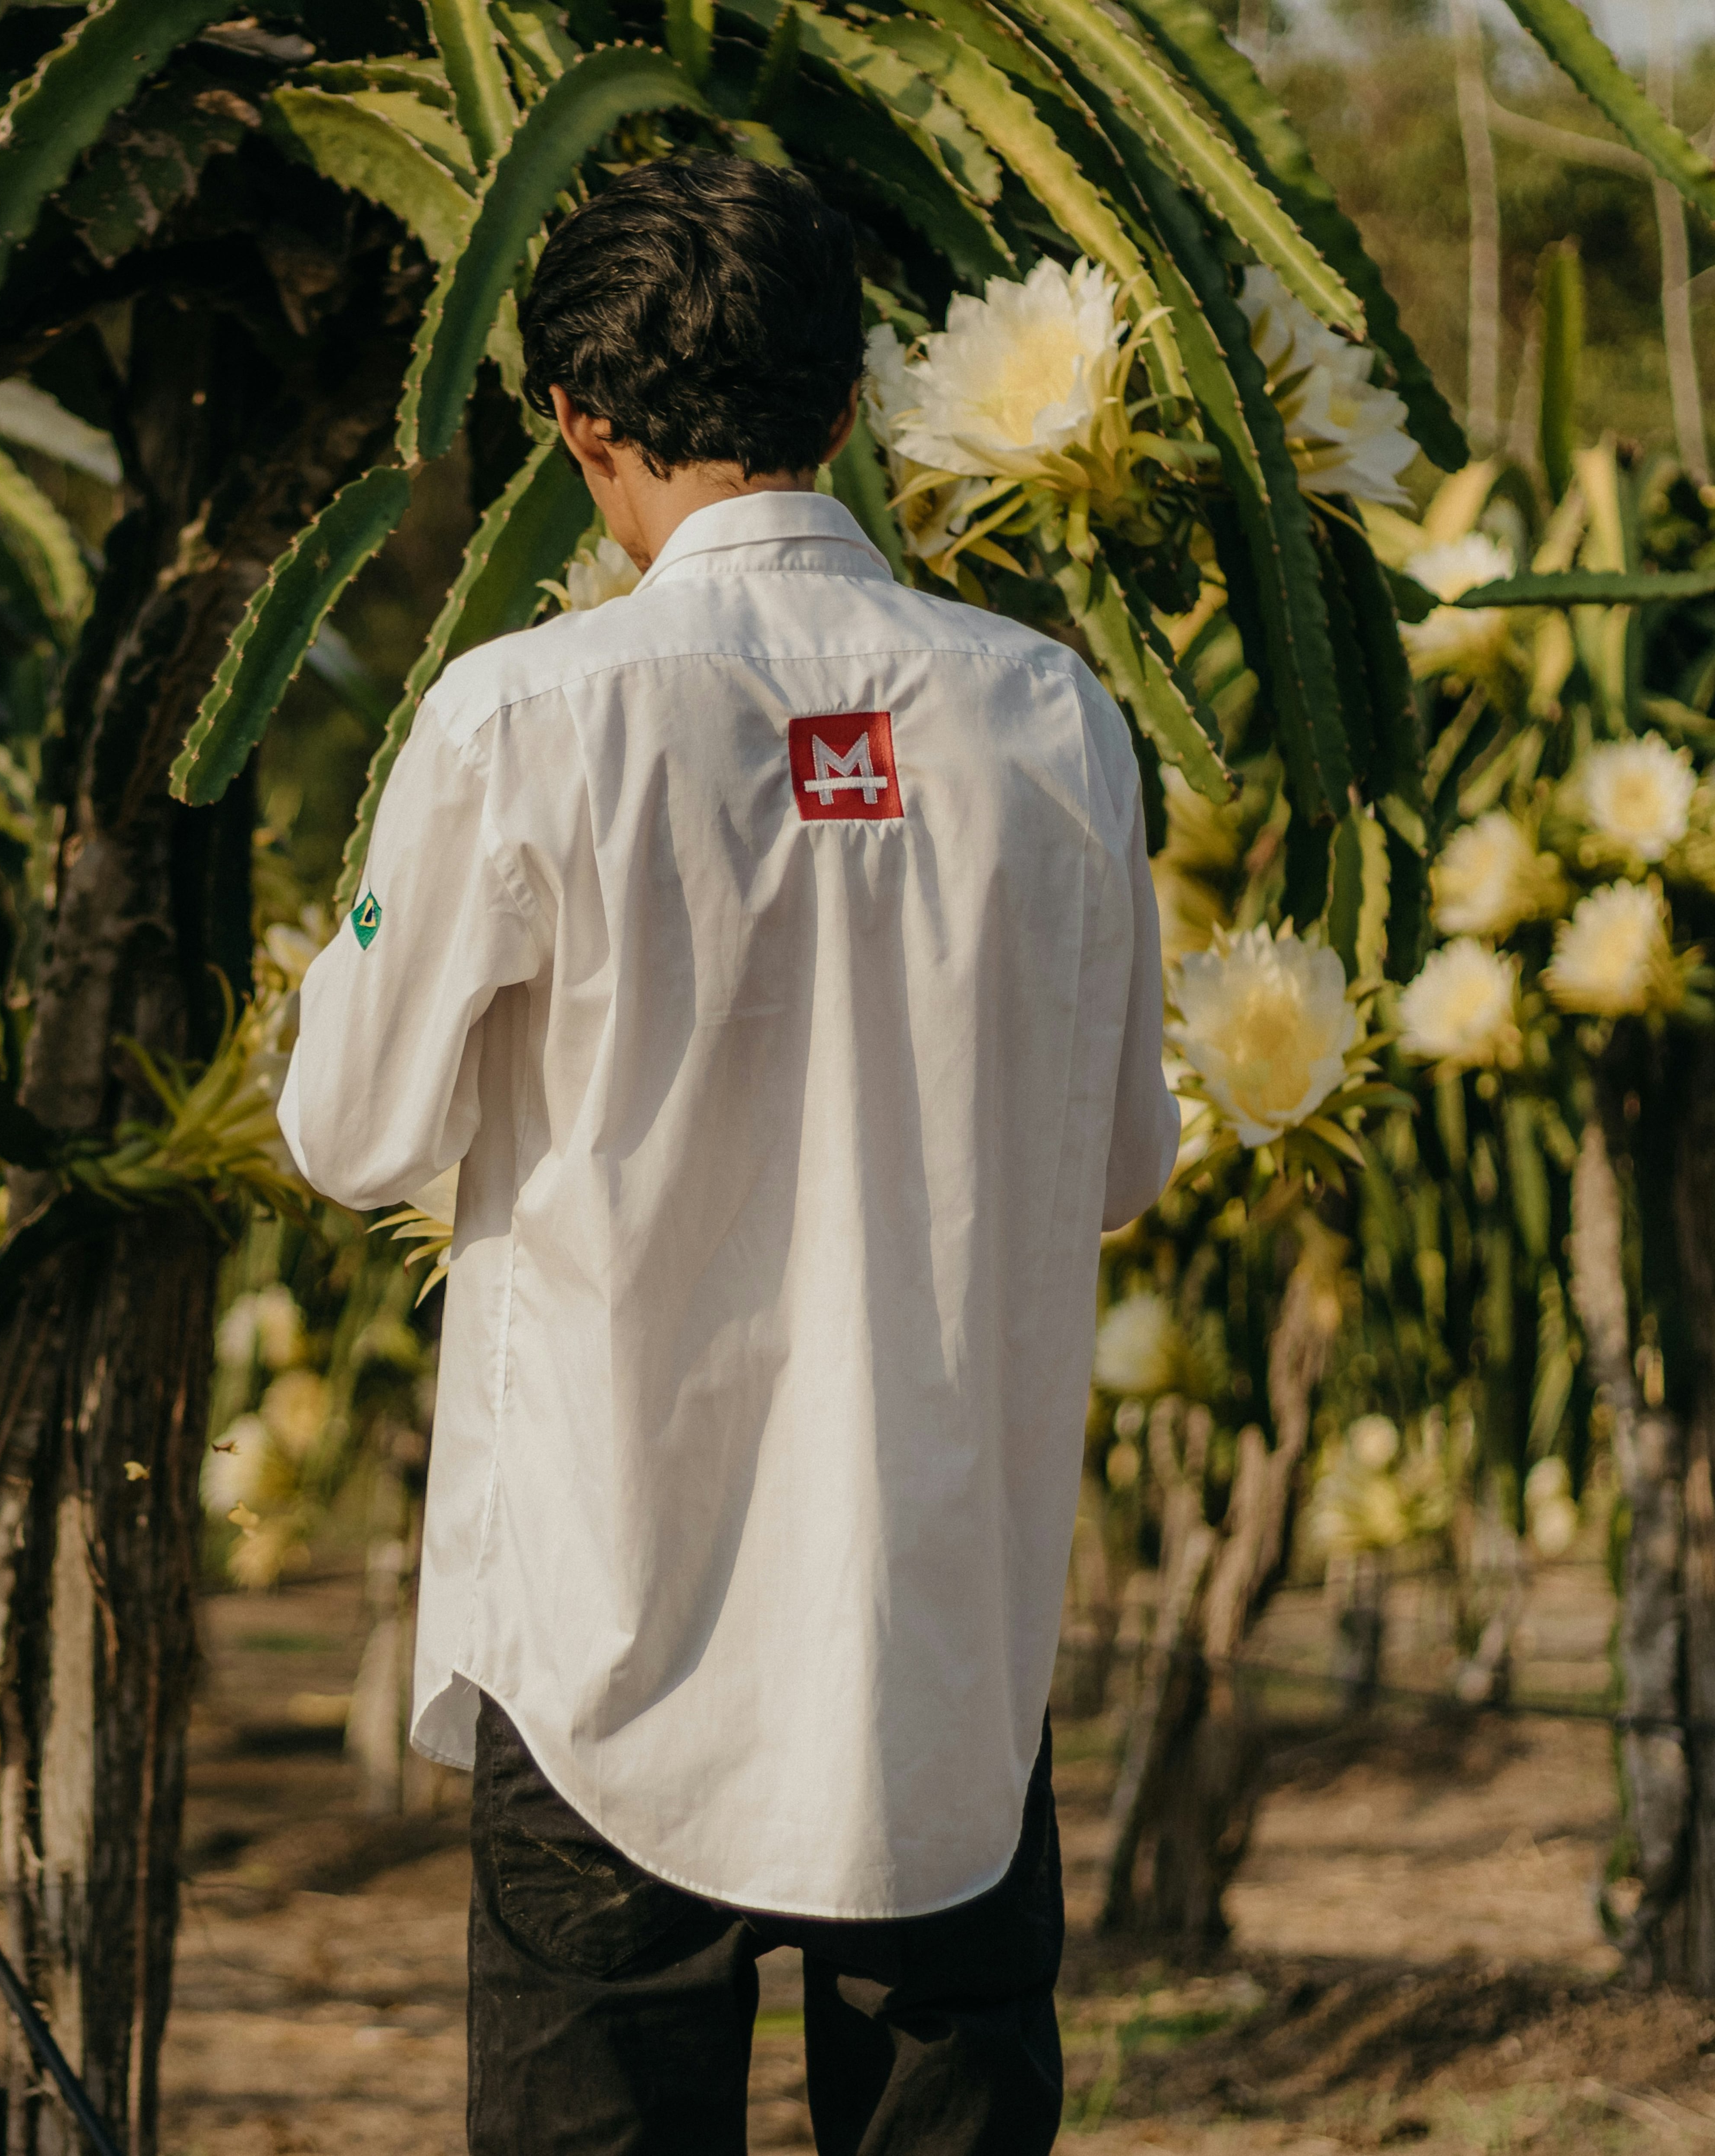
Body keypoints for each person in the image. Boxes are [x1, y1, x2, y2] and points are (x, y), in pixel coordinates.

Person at [278, 158, 1179, 2156]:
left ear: (577, 425)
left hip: (605, 1626)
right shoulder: (1053, 722)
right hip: (935, 1646)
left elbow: (348, 1131)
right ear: (848, 405)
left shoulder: (515, 718)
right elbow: (1120, 1159)